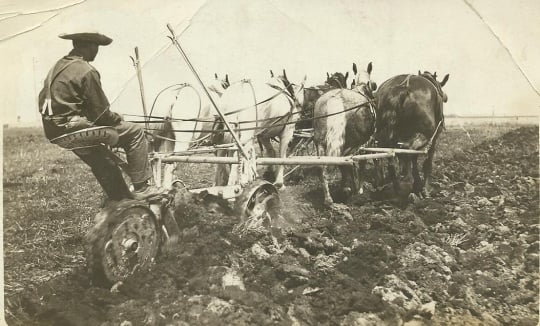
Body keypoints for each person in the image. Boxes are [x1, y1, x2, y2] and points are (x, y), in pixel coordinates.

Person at [38, 32, 158, 201]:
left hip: (53, 130)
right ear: (88, 46)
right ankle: (142, 187)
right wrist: (117, 118)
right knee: (135, 132)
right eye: (96, 47)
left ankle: (120, 199)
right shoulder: (86, 71)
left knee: (104, 163)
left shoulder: (58, 66)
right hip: (75, 128)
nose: (97, 51)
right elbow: (102, 114)